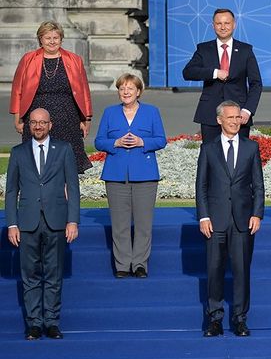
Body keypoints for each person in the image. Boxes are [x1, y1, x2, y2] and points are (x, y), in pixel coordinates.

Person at [4, 108, 80, 340]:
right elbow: (11, 192)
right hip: (27, 224)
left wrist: (73, 220)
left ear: (50, 125)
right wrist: (12, 224)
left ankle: (52, 323)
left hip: (56, 222)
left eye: (42, 123)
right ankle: (34, 324)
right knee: (30, 277)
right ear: (29, 125)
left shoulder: (64, 150)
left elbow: (73, 189)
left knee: (54, 275)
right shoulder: (18, 152)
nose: (38, 126)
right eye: (34, 123)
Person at [196, 100, 265, 337]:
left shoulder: (251, 148)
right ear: (219, 120)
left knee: (241, 271)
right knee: (214, 270)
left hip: (243, 220)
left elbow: (258, 185)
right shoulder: (208, 148)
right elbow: (201, 186)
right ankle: (214, 319)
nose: (235, 121)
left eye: (238, 117)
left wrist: (257, 213)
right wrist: (203, 216)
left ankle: (240, 318)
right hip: (215, 221)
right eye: (230, 117)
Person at [94, 73, 167, 278]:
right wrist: (114, 143)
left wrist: (142, 142)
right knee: (119, 224)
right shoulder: (109, 113)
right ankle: (122, 265)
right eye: (122, 88)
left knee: (144, 223)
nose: (125, 92)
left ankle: (140, 264)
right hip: (116, 174)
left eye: (130, 88)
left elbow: (161, 140)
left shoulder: (152, 112)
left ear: (138, 92)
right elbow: (99, 141)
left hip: (145, 174)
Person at [10, 21, 92, 173]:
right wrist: (17, 119)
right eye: (48, 38)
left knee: (67, 165)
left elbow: (84, 91)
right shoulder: (28, 59)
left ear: (61, 39)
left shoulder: (75, 60)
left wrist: (86, 119)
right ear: (40, 39)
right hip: (36, 118)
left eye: (56, 37)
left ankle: (66, 196)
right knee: (36, 164)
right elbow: (17, 90)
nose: (52, 41)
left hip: (68, 117)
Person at [182, 8, 263, 140]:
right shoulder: (203, 49)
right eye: (219, 23)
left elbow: (256, 84)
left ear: (234, 24)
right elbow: (188, 72)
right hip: (210, 113)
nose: (223, 27)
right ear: (213, 25)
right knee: (211, 155)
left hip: (239, 115)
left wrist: (247, 110)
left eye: (227, 23)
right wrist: (214, 72)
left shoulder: (245, 50)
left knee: (240, 156)